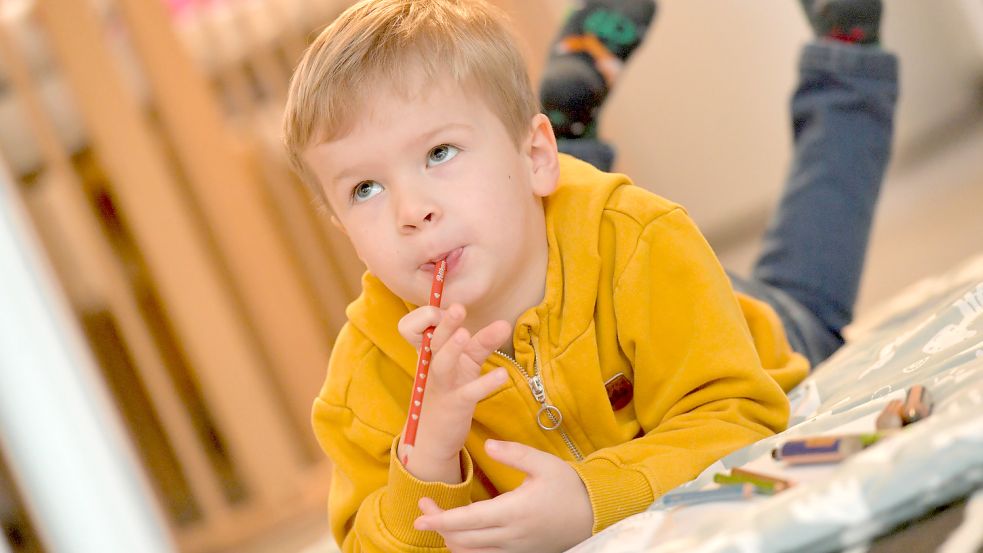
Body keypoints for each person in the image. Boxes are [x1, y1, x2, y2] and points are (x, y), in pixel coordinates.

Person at [280, 0, 897, 551]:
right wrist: (429, 465)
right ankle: (571, 110)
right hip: (585, 254)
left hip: (753, 322)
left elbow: (737, 416)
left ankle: (845, 55)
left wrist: (591, 496)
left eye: (439, 153)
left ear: (534, 157)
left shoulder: (639, 237)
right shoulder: (365, 380)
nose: (411, 212)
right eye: (365, 188)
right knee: (516, 214)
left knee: (814, 267)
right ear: (340, 227)